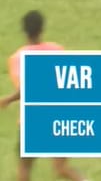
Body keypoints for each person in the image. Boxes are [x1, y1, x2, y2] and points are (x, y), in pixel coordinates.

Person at [0, 10, 89, 181]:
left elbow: (28, 88)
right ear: (42, 29)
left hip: (33, 119)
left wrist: (7, 99)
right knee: (62, 168)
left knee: (25, 168)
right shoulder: (57, 50)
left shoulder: (19, 58)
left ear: (24, 31)